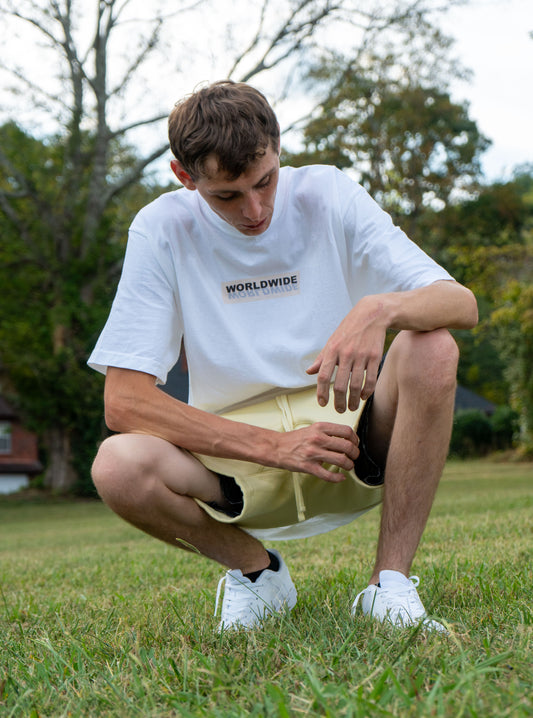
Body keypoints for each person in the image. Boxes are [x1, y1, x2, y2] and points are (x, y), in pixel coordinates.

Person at [89, 80, 478, 633]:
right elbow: (124, 403)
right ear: (184, 176)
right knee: (116, 465)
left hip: (354, 444)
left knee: (433, 345)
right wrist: (274, 446)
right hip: (233, 470)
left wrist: (379, 309)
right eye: (227, 196)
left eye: (265, 181)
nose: (255, 210)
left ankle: (389, 584)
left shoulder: (328, 192)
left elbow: (460, 303)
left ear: (278, 149)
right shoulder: (161, 229)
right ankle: (257, 572)